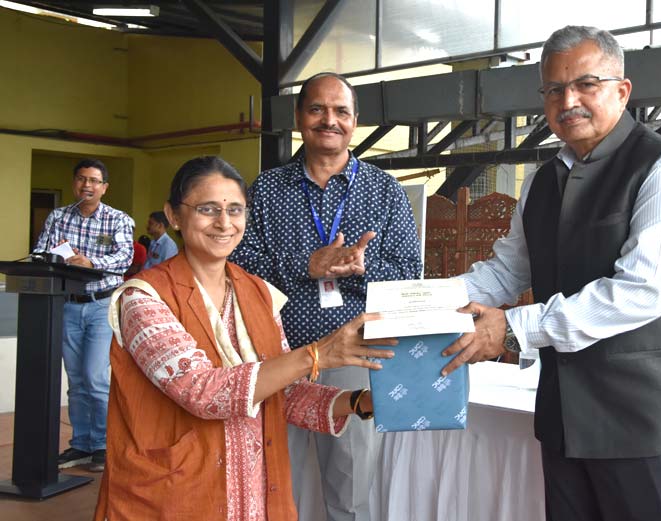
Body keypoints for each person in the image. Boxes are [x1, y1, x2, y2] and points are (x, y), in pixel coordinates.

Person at [441, 26, 661, 521]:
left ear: (622, 90)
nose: (568, 101)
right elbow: (505, 272)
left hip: (647, 421)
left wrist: (511, 328)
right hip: (566, 419)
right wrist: (415, 303)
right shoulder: (540, 183)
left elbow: (638, 292)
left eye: (586, 84)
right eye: (553, 89)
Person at [94, 156, 395, 520]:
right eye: (207, 209)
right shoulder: (142, 297)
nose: (224, 223)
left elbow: (284, 393)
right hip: (176, 493)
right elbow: (203, 392)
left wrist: (360, 401)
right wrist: (317, 354)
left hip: (255, 496)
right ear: (173, 215)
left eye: (235, 210)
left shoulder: (259, 292)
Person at [231, 72, 422, 521]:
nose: (329, 120)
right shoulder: (267, 189)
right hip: (277, 355)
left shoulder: (384, 191)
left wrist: (361, 267)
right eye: (317, 109)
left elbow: (409, 274)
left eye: (341, 111)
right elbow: (238, 265)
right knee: (277, 484)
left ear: (355, 120)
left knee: (349, 492)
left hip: (354, 356)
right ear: (299, 117)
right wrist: (308, 264)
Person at [33, 158, 134, 472]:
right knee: (76, 380)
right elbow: (39, 252)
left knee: (95, 377)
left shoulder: (117, 219)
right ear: (74, 183)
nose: (86, 185)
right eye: (81, 179)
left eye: (93, 180)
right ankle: (81, 444)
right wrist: (53, 259)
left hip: (101, 304)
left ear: (104, 187)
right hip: (67, 304)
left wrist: (91, 262)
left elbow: (125, 258)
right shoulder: (58, 217)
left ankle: (104, 444)